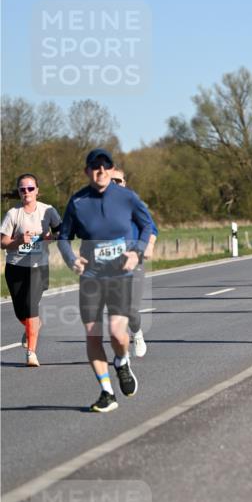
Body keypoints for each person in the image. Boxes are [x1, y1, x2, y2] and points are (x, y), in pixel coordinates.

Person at [58, 148, 154, 413]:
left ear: (111, 170)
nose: (100, 171)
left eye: (105, 166)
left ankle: (121, 361)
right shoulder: (77, 202)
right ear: (87, 171)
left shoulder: (127, 197)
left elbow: (147, 225)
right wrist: (71, 259)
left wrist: (137, 251)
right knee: (92, 335)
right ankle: (107, 392)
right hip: (90, 277)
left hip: (120, 275)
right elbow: (63, 237)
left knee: (116, 333)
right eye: (95, 166)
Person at [1, 173, 61, 366]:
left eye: (30, 188)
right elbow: (3, 242)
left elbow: (60, 231)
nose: (26, 192)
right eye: (22, 189)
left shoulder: (48, 211)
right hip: (15, 267)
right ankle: (34, 325)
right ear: (19, 192)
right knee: (21, 312)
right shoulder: (13, 214)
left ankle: (31, 353)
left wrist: (52, 237)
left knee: (31, 307)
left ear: (37, 191)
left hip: (38, 267)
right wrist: (19, 241)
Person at [110, 168, 158, 358]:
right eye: (111, 180)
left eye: (118, 181)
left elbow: (151, 228)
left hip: (134, 259)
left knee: (131, 308)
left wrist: (149, 245)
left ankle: (137, 334)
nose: (114, 184)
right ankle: (121, 352)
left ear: (124, 183)